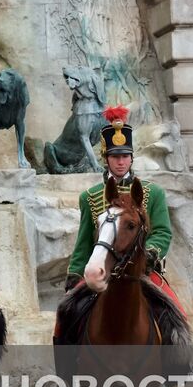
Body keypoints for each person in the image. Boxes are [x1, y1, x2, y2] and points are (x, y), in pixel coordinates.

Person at [65, 106, 180, 312]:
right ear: (105, 157)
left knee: (175, 311)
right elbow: (83, 242)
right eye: (115, 156)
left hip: (142, 270)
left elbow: (162, 232)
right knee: (66, 314)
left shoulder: (153, 193)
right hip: (102, 269)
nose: (120, 161)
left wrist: (149, 254)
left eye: (125, 156)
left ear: (131, 158)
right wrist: (74, 275)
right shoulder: (89, 197)